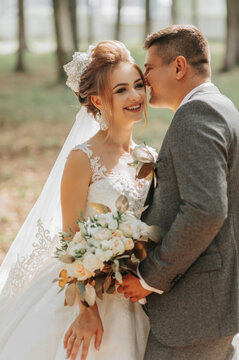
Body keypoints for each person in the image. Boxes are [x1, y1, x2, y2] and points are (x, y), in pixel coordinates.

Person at [0, 40, 151, 360]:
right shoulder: (82, 158)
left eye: (138, 85)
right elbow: (70, 237)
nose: (136, 96)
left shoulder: (147, 157)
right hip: (86, 291)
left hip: (132, 291)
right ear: (98, 100)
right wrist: (86, 309)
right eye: (121, 90)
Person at [119, 25, 239, 360]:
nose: (144, 79)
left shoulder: (196, 115)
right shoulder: (221, 106)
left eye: (148, 68)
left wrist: (150, 276)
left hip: (192, 311)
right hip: (211, 304)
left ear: (178, 66)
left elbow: (206, 209)